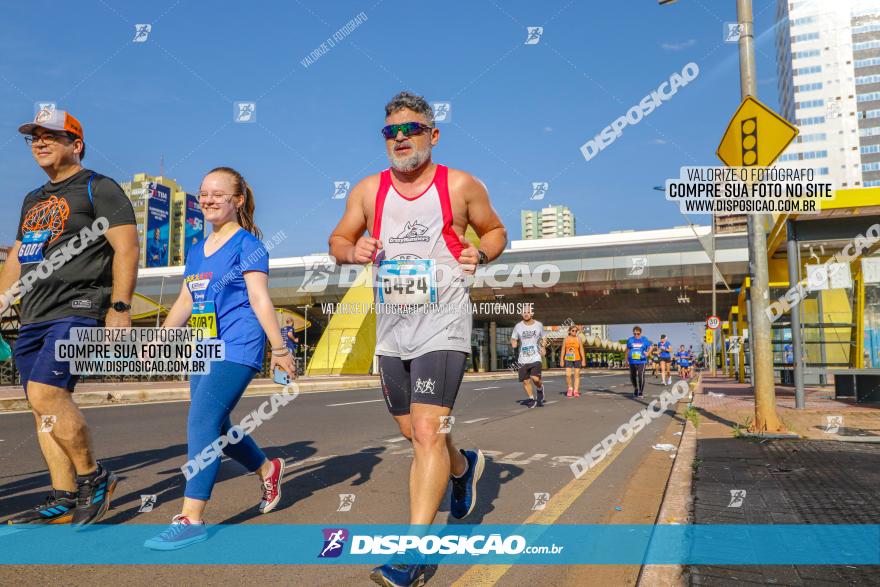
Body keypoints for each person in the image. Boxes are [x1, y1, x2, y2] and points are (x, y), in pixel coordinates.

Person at [328, 91, 507, 587]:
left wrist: (482, 254)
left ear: (433, 133)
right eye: (391, 132)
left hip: (444, 322)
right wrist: (352, 249)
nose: (401, 139)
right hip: (393, 329)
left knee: (427, 432)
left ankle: (413, 555)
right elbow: (337, 239)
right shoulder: (368, 191)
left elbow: (495, 230)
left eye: (411, 130)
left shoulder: (460, 184)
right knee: (414, 433)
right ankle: (462, 466)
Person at [144, 167, 296, 550]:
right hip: (203, 346)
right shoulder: (197, 249)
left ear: (237, 200)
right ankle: (266, 467)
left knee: (201, 421)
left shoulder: (249, 246)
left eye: (218, 193)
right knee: (219, 426)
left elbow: (260, 299)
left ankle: (191, 518)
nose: (208, 200)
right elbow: (186, 299)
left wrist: (279, 349)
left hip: (239, 344)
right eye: (203, 193)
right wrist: (162, 338)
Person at [2, 109, 139, 525]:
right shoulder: (33, 199)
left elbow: (127, 248)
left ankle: (94, 477)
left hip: (79, 308)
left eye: (51, 136)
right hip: (36, 313)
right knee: (40, 407)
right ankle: (63, 495)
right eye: (34, 137)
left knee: (46, 393)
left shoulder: (100, 187)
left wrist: (120, 307)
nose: (40, 143)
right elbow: (19, 256)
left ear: (75, 144)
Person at [511, 309, 546, 408]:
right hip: (522, 358)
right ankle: (531, 398)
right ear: (522, 314)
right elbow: (513, 338)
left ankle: (540, 389)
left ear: (532, 313)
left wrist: (543, 347)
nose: (526, 314)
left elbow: (544, 337)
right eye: (524, 312)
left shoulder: (539, 325)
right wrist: (513, 342)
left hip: (535, 356)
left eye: (528, 312)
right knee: (526, 381)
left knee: (535, 378)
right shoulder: (518, 326)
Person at [560, 324, 586, 397]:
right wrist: (561, 360)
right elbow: (563, 350)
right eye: (573, 330)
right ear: (569, 331)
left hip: (577, 359)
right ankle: (570, 389)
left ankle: (576, 391)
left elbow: (581, 349)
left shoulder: (578, 339)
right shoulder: (566, 339)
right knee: (568, 375)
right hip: (568, 359)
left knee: (576, 375)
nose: (574, 332)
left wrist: (583, 360)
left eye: (576, 331)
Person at [625, 326, 651, 398]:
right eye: (635, 333)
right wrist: (626, 360)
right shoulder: (630, 340)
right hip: (632, 361)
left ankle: (640, 391)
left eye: (638, 333)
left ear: (640, 333)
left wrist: (648, 353)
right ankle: (636, 388)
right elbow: (627, 350)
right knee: (632, 376)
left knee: (640, 375)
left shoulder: (644, 339)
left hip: (642, 361)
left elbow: (650, 347)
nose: (636, 335)